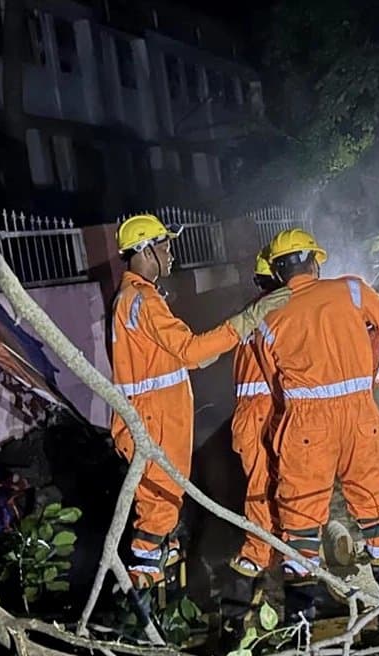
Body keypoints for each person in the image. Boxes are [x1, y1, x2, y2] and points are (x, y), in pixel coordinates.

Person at [108, 214, 290, 593]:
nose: (171, 254)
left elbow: (178, 358)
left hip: (157, 424)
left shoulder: (138, 298)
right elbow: (192, 352)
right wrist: (247, 319)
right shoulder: (141, 300)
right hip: (152, 427)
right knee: (156, 521)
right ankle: (144, 619)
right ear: (145, 250)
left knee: (165, 520)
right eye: (164, 246)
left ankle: (168, 601)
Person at [252, 228, 379, 623]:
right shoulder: (353, 291)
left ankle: (300, 623)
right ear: (314, 261)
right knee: (375, 511)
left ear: (276, 271)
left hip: (306, 427)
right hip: (360, 419)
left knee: (301, 523)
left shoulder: (268, 319)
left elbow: (273, 380)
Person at [220, 250, 285, 638]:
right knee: (264, 519)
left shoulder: (255, 313)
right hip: (262, 420)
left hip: (254, 419)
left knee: (271, 513)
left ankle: (246, 611)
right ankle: (234, 620)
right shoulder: (270, 315)